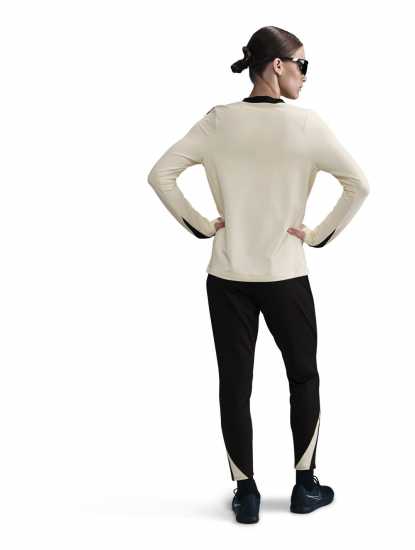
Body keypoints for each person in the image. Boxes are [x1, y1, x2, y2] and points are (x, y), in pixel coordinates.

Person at [147, 25, 370, 524]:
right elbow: (359, 185)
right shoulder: (306, 125)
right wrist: (317, 236)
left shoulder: (217, 122)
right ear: (278, 65)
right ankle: (305, 487)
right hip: (286, 275)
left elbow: (160, 174)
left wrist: (201, 226)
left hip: (227, 276)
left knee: (234, 382)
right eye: (302, 65)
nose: (305, 75)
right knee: (303, 377)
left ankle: (245, 494)